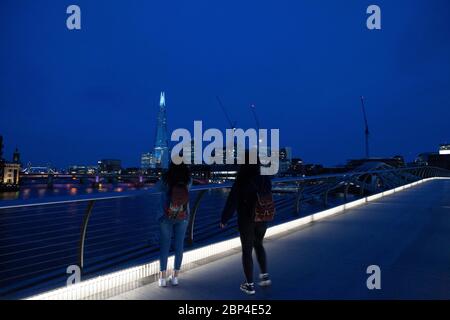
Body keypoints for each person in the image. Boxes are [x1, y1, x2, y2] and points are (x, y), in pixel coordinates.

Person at [220, 157, 273, 295]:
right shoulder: (264, 177)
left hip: (247, 219)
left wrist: (224, 219)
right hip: (263, 217)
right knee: (259, 244)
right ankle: (264, 277)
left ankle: (249, 285)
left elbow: (232, 201)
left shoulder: (241, 179)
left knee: (247, 250)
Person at [155, 161, 192, 287]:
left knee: (165, 246)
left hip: (166, 215)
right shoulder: (188, 179)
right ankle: (175, 277)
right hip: (183, 216)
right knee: (179, 246)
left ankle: (162, 279)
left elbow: (156, 188)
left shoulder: (166, 178)